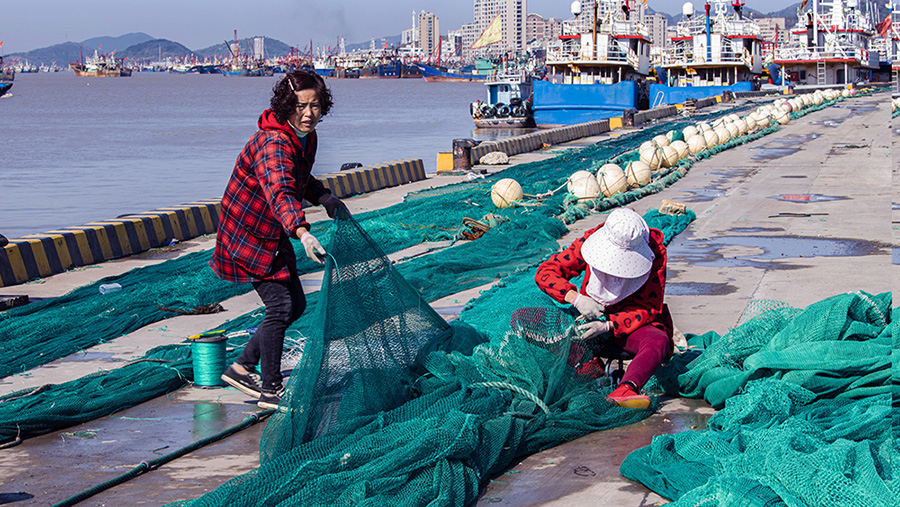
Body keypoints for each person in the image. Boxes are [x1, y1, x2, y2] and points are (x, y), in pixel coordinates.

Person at [209, 70, 349, 410]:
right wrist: (302, 232)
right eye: (301, 106)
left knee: (296, 304)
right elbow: (281, 192)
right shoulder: (273, 143)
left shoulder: (305, 137)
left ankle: (241, 367)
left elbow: (299, 177)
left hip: (271, 231)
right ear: (286, 106)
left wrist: (324, 197)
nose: (308, 114)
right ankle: (270, 390)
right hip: (247, 233)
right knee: (281, 306)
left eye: (315, 105)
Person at [535, 207, 673, 409]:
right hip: (587, 323)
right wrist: (576, 299)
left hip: (629, 329)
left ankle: (626, 389)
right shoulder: (590, 239)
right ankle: (592, 370)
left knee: (658, 340)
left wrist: (609, 325)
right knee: (536, 325)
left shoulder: (655, 252)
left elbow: (650, 307)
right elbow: (546, 272)